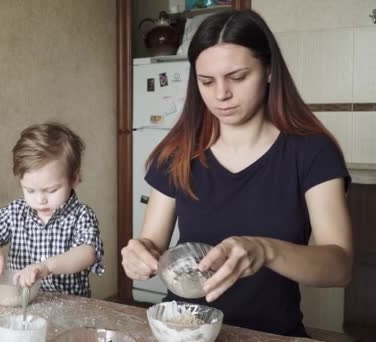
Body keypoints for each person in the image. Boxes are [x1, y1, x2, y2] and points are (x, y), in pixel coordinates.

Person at [121, 9, 352, 337]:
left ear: (269, 70)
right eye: (206, 81)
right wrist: (138, 253)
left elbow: (339, 267)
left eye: (238, 77)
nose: (221, 94)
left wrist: (266, 250)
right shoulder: (178, 152)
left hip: (271, 333)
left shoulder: (311, 152)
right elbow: (152, 244)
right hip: (185, 329)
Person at [0, 122, 104, 297]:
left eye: (51, 190)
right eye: (29, 190)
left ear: (74, 178)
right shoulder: (15, 212)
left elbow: (87, 252)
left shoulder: (81, 215)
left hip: (70, 305)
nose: (40, 199)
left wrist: (46, 267)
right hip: (23, 302)